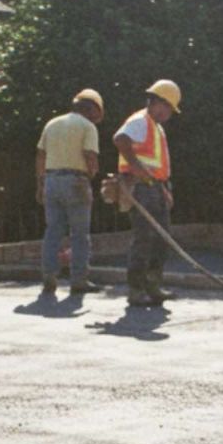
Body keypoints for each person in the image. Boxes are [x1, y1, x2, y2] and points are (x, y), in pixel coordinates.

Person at [113, 79, 182, 308]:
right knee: (144, 239)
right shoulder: (139, 121)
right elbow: (120, 139)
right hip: (141, 188)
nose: (169, 113)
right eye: (169, 107)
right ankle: (136, 289)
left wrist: (163, 189)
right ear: (157, 102)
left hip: (155, 188)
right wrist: (135, 167)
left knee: (161, 239)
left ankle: (152, 286)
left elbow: (156, 165)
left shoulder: (155, 126)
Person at [36, 88, 104, 293]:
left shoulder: (52, 123)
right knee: (79, 234)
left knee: (53, 231)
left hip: (51, 180)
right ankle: (79, 280)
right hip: (76, 180)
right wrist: (92, 174)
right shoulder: (87, 126)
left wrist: (40, 183)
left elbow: (40, 154)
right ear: (92, 109)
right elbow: (90, 155)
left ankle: (49, 276)